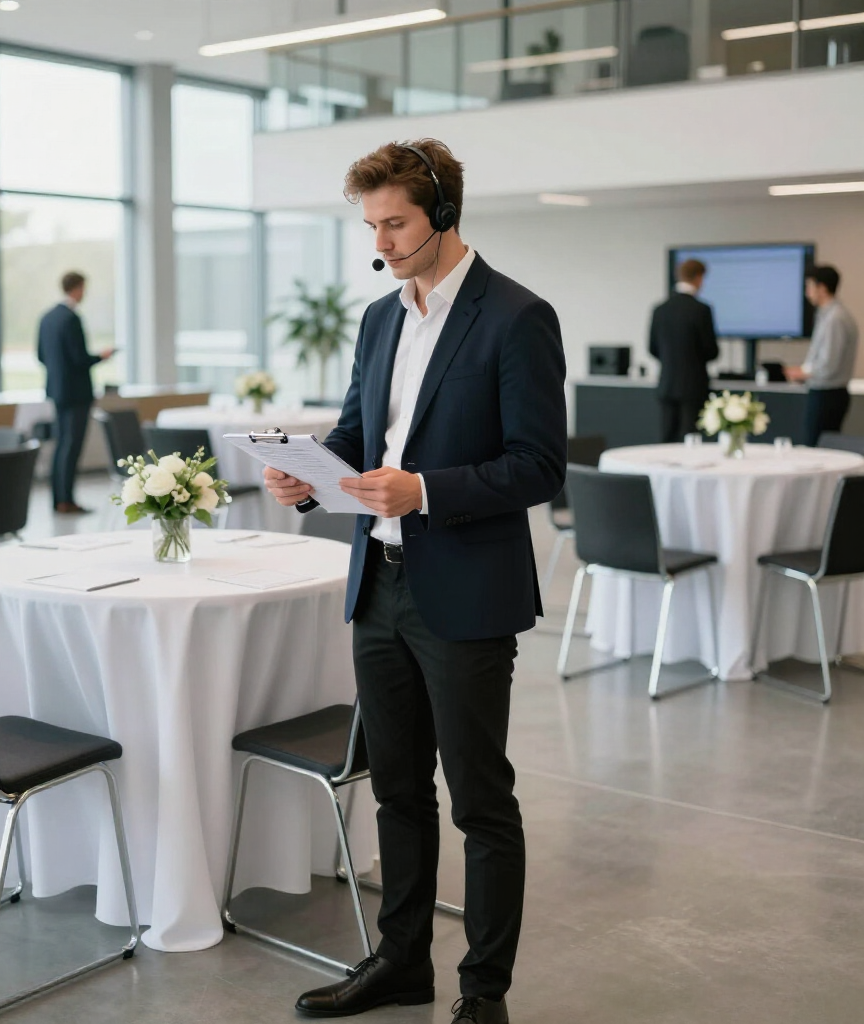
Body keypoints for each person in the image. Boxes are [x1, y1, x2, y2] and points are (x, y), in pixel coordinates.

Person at [264, 139, 566, 1024]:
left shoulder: (517, 317)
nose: (383, 242)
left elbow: (539, 467)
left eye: (395, 223)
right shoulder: (379, 318)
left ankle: (483, 994)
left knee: (479, 801)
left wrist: (427, 491)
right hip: (377, 587)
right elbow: (363, 436)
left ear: (442, 211)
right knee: (396, 790)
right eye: (372, 226)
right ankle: (401, 963)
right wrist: (309, 474)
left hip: (466, 594)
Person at [37, 271, 114, 513]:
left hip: (56, 391)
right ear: (78, 288)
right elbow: (79, 359)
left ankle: (59, 499)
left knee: (62, 446)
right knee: (72, 447)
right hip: (76, 394)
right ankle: (66, 500)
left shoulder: (47, 318)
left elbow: (40, 355)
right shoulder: (71, 319)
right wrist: (101, 357)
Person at [784, 264, 859, 446]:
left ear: (822, 288)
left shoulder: (835, 318)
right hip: (824, 393)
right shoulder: (827, 315)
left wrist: (801, 373)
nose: (807, 292)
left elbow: (828, 365)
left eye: (809, 286)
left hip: (828, 395)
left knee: (819, 449)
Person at [648, 258, 719, 442]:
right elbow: (711, 351)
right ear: (699, 278)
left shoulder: (660, 310)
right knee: (691, 441)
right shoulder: (701, 310)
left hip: (667, 385)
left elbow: (652, 348)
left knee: (666, 440)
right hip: (694, 387)